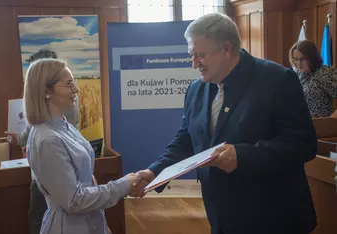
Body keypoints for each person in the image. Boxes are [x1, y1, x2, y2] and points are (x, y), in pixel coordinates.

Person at [131, 12, 318, 234]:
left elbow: (303, 145)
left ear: (226, 49)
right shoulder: (196, 89)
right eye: (191, 55)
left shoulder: (278, 80)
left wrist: (242, 156)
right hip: (222, 217)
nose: (194, 64)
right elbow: (186, 141)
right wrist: (154, 173)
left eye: (199, 55)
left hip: (274, 218)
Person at [24, 58, 135, 234]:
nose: (76, 89)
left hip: (88, 222)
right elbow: (74, 201)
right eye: (68, 84)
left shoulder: (64, 125)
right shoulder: (47, 140)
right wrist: (124, 185)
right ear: (46, 90)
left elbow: (85, 179)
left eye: (74, 82)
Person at [5, 49, 79, 234]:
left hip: (44, 182)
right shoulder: (68, 104)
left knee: (37, 219)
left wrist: (16, 138)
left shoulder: (46, 127)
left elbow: (25, 137)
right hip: (69, 174)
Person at [289, 40, 337, 117]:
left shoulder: (326, 73)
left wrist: (331, 120)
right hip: (300, 124)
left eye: (303, 59)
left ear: (312, 57)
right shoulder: (299, 74)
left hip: (320, 125)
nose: (298, 63)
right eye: (295, 59)